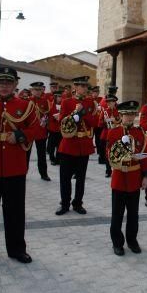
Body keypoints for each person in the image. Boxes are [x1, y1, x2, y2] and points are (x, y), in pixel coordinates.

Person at [0, 67, 39, 266]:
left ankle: (17, 249)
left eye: (8, 83)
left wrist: (20, 135)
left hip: (15, 168)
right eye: (0, 82)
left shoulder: (25, 105)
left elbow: (36, 128)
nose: (4, 86)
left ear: (15, 85)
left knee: (15, 211)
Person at [106, 101, 147, 255]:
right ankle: (117, 242)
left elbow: (145, 156)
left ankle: (132, 240)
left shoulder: (140, 133)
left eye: (132, 114)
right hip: (119, 178)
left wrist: (145, 176)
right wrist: (120, 148)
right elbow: (109, 155)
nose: (130, 118)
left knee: (133, 214)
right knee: (117, 213)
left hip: (134, 178)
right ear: (121, 116)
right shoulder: (113, 132)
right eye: (126, 115)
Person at [55, 75, 97, 215]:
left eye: (86, 86)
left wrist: (83, 112)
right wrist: (74, 117)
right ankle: (65, 203)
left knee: (80, 178)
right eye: (82, 86)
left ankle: (78, 203)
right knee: (65, 178)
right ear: (75, 87)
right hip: (69, 143)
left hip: (83, 144)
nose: (85, 88)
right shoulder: (67, 102)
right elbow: (61, 121)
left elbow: (94, 123)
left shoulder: (91, 103)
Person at [27, 82, 51, 181]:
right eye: (36, 90)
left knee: (41, 155)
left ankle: (43, 173)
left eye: (40, 90)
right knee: (26, 154)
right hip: (29, 131)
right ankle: (23, 172)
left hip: (41, 132)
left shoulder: (45, 101)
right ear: (31, 90)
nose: (38, 92)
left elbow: (47, 114)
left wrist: (45, 122)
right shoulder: (27, 101)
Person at [99, 88, 121, 177]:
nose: (109, 104)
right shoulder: (104, 112)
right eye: (108, 102)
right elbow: (99, 124)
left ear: (115, 102)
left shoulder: (119, 111)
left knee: (117, 152)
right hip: (106, 134)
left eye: (111, 102)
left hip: (116, 134)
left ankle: (117, 169)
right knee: (107, 153)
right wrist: (105, 121)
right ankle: (108, 170)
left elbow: (121, 122)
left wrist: (115, 119)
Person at [47, 89, 63, 165]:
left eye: (61, 96)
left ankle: (58, 159)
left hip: (60, 128)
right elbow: (48, 115)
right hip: (53, 128)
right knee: (52, 145)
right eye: (58, 97)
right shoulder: (51, 104)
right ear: (55, 97)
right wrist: (54, 117)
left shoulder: (63, 104)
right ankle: (52, 158)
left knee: (59, 144)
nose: (60, 98)